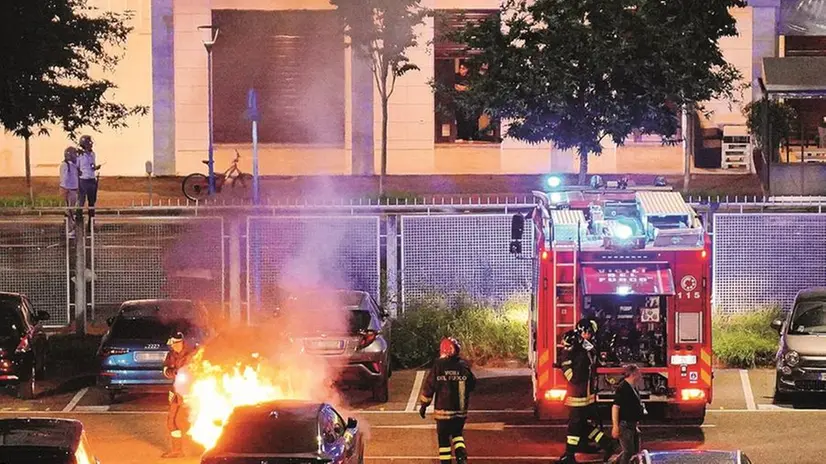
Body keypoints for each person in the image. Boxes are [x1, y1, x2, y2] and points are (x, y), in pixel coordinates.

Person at [557, 320, 616, 464]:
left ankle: (569, 456)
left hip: (577, 394)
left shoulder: (580, 349)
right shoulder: (588, 348)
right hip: (585, 394)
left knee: (574, 426)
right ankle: (607, 443)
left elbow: (574, 376)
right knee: (582, 424)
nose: (588, 335)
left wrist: (565, 358)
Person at [418, 337, 476, 464]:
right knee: (457, 435)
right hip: (460, 412)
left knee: (443, 440)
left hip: (443, 411)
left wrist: (424, 405)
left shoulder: (438, 365)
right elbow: (472, 384)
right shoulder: (463, 365)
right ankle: (461, 457)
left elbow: (429, 386)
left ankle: (446, 462)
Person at [162, 331, 196, 458]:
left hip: (189, 392)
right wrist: (173, 372)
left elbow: (196, 371)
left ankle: (211, 447)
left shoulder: (192, 354)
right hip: (175, 393)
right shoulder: (170, 355)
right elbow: (165, 370)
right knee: (171, 421)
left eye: (177, 343)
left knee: (189, 420)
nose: (174, 346)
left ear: (182, 342)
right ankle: (177, 450)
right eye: (173, 344)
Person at [611, 364, 645, 464]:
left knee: (633, 451)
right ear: (633, 374)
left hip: (632, 425)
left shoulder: (633, 387)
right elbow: (615, 407)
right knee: (628, 452)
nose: (640, 375)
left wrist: (636, 425)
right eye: (638, 373)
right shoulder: (623, 388)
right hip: (625, 425)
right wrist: (615, 427)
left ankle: (614, 462)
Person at [76, 135, 101, 222]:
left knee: (92, 202)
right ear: (84, 144)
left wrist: (95, 168)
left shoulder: (93, 154)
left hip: (92, 179)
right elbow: (77, 167)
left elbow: (92, 165)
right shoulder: (79, 155)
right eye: (89, 143)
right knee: (81, 202)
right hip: (83, 180)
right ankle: (78, 221)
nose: (91, 144)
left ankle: (91, 222)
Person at [59, 146, 79, 238]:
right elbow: (64, 179)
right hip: (68, 190)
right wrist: (65, 190)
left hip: (73, 189)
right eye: (74, 154)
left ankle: (72, 229)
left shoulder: (73, 165)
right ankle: (70, 230)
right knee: (69, 210)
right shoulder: (65, 165)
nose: (76, 156)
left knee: (72, 210)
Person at [453, 62, 477, 142]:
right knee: (459, 119)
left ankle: (470, 136)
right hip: (458, 101)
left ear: (467, 69)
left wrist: (465, 88)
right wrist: (466, 88)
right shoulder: (456, 76)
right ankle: (460, 136)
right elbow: (456, 87)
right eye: (460, 68)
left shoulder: (471, 77)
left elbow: (472, 88)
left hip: (469, 101)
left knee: (470, 119)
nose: (461, 70)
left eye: (463, 68)